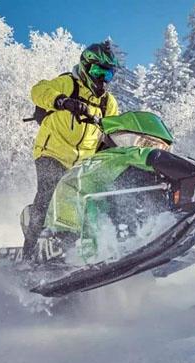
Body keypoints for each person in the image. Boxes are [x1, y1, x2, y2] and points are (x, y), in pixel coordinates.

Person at [22, 41, 120, 261]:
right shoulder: (68, 83)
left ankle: (83, 250)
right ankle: (29, 250)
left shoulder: (108, 103)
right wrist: (62, 101)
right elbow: (38, 90)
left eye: (108, 75)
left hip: (83, 162)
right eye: (97, 71)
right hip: (52, 152)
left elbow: (114, 128)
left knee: (92, 201)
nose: (102, 80)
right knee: (48, 194)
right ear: (85, 67)